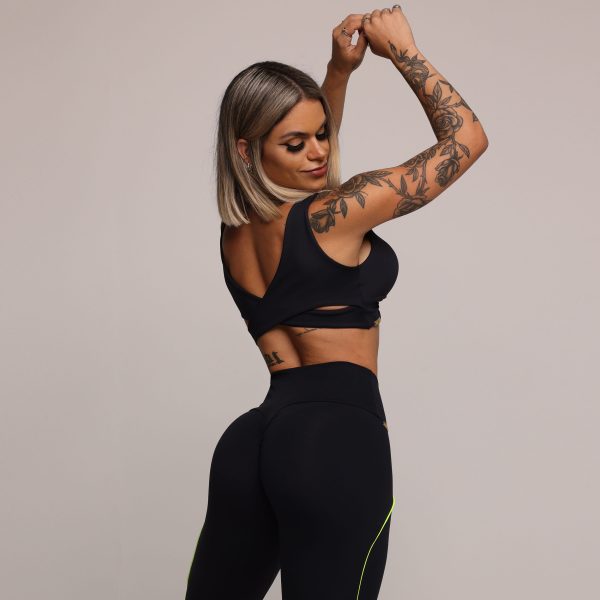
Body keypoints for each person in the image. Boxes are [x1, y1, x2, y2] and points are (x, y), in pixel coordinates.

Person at [185, 6, 489, 599]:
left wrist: (339, 73)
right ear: (246, 151)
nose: (318, 152)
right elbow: (468, 140)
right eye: (295, 143)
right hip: (335, 442)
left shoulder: (237, 231)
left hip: (253, 442)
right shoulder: (335, 216)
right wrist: (403, 50)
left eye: (321, 134)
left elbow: (311, 172)